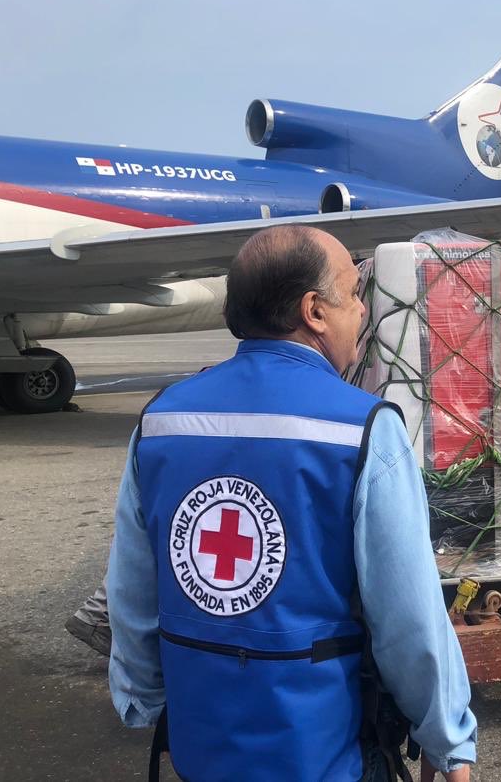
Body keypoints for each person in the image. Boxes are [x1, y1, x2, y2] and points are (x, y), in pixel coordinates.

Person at [106, 225, 476, 781]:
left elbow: (133, 589)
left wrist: (142, 697)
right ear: (314, 311)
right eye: (352, 294)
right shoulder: (364, 428)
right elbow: (409, 619)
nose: (362, 311)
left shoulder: (161, 421)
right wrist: (447, 741)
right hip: (321, 757)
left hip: (201, 750)